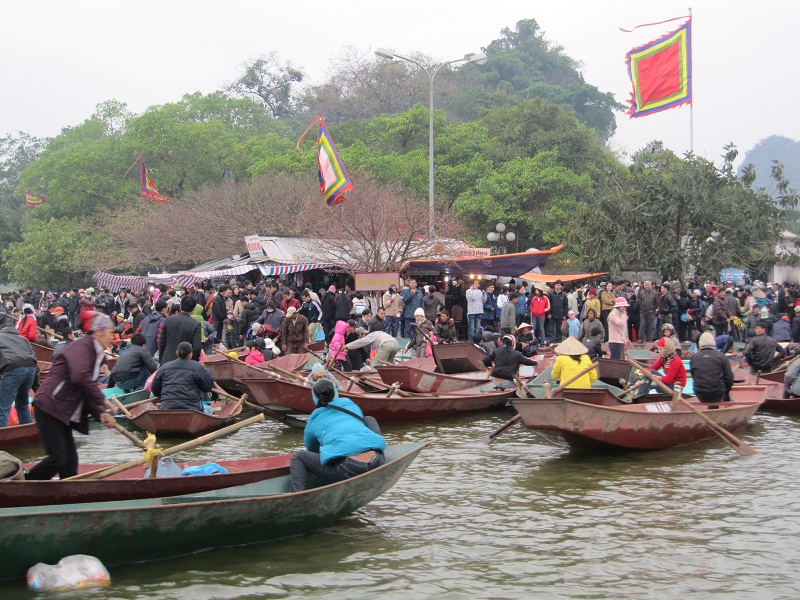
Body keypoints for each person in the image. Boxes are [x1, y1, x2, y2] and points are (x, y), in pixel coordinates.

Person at [26, 314, 117, 480]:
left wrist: (99, 413)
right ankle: (24, 486)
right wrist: (100, 398)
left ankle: (67, 499)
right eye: (110, 332)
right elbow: (79, 376)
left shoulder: (99, 356)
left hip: (64, 413)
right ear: (98, 331)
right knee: (58, 458)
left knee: (69, 465)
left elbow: (85, 388)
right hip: (50, 407)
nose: (112, 337)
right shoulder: (82, 347)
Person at [289, 378, 386, 492]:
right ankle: (380, 448)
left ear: (315, 398)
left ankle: (297, 495)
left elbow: (312, 450)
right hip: (377, 460)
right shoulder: (350, 404)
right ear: (335, 392)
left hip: (348, 468)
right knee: (368, 419)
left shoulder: (313, 419)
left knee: (299, 456)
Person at [151, 342, 215, 411]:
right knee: (209, 410)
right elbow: (208, 386)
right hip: (191, 409)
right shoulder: (198, 367)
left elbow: (155, 390)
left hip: (167, 408)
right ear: (190, 355)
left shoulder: (164, 367)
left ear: (177, 353)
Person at [0, 321, 39, 427]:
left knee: (3, 406)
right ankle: (26, 429)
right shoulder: (22, 339)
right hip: (30, 370)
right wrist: (36, 387)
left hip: (13, 370)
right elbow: (35, 361)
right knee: (22, 405)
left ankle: (2, 436)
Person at [690, 332, 734, 403]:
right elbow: (729, 378)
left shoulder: (694, 357)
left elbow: (694, 376)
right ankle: (723, 399)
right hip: (717, 392)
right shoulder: (721, 357)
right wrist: (726, 392)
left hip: (699, 392)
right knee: (717, 390)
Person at [159, 295, 202, 366]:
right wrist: (194, 363)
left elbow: (162, 343)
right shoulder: (195, 324)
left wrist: (161, 360)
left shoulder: (169, 320)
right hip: (185, 364)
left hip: (167, 361)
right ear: (193, 309)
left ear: (180, 306)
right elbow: (197, 348)